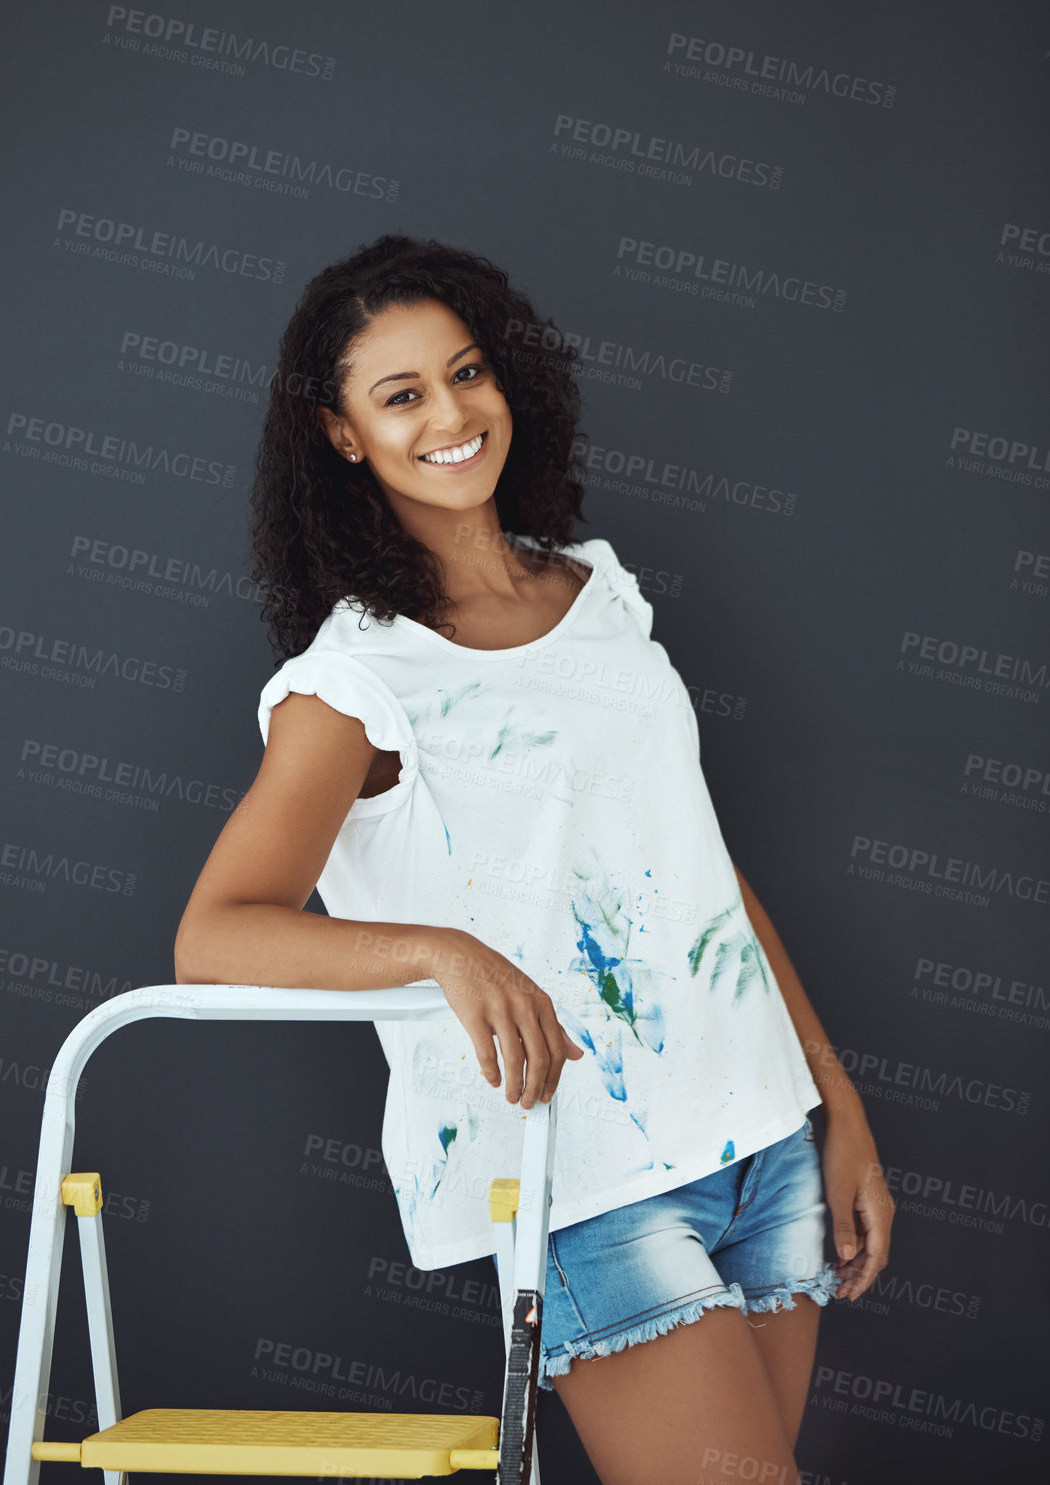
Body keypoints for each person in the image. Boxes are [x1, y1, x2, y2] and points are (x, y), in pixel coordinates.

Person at [175, 232, 894, 1484]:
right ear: (342, 435)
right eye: (399, 396)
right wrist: (439, 951)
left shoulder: (599, 592)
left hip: (763, 1133)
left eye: (467, 374)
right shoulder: (353, 684)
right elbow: (215, 933)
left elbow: (702, 873)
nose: (451, 415)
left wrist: (837, 1105)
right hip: (588, 1178)